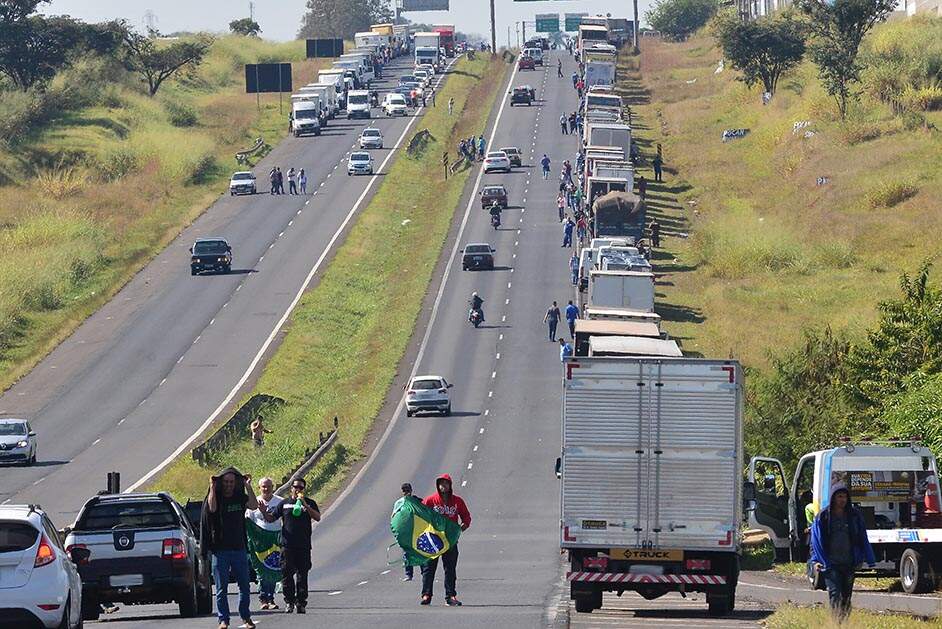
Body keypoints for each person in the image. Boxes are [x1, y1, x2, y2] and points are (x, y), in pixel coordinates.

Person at [201, 467, 258, 629]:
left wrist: (248, 486)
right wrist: (212, 488)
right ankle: (223, 620)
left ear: (236, 483)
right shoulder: (216, 497)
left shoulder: (240, 497)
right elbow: (211, 509)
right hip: (221, 551)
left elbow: (253, 505)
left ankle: (246, 617)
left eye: (232, 482)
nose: (228, 485)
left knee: (244, 586)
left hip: (239, 549)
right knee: (221, 589)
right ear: (221, 482)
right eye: (226, 482)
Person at [810, 483, 876, 622]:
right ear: (833, 498)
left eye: (845, 497)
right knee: (835, 594)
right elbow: (816, 541)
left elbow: (863, 537)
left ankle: (844, 622)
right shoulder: (823, 517)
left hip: (849, 563)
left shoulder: (854, 516)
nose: (842, 500)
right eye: (839, 496)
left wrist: (869, 559)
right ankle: (836, 623)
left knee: (846, 596)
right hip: (830, 564)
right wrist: (816, 560)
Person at [421, 474, 471, 606]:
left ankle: (450, 596)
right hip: (433, 540)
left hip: (450, 540)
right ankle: (426, 594)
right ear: (437, 485)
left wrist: (462, 527)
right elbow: (419, 514)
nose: (443, 486)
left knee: (450, 569)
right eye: (441, 483)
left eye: (446, 483)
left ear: (450, 485)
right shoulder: (431, 500)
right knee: (428, 568)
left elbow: (466, 516)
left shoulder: (457, 501)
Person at [274, 478, 320, 614]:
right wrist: (264, 511)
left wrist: (305, 505)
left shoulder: (310, 503)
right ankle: (289, 601)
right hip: (287, 545)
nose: (298, 489)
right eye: (295, 487)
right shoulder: (285, 503)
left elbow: (317, 517)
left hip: (303, 545)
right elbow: (272, 517)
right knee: (286, 574)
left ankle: (301, 603)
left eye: (300, 487)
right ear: (291, 488)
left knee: (302, 574)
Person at [250, 477, 284, 610]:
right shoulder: (254, 503)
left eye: (268, 486)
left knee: (273, 568)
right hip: (260, 543)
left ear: (273, 487)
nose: (266, 489)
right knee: (262, 570)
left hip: (275, 540)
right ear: (259, 488)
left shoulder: (280, 502)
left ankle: (271, 598)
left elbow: (285, 519)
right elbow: (250, 521)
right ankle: (263, 598)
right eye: (263, 487)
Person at [392, 483, 415, 581]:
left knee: (422, 551)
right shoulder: (399, 503)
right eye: (404, 491)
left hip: (417, 530)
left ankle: (425, 573)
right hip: (406, 531)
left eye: (407, 490)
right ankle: (409, 574)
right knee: (407, 553)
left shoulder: (417, 501)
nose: (406, 493)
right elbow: (394, 517)